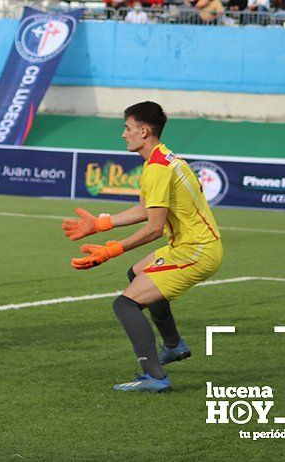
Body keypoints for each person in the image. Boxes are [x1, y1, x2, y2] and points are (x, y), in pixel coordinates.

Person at [62, 101, 222, 393]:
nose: (124, 134)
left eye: (127, 128)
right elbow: (145, 209)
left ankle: (155, 377)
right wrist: (101, 224)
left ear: (144, 131)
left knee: (125, 304)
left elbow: (154, 228)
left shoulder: (159, 168)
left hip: (196, 251)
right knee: (137, 273)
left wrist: (111, 249)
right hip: (191, 245)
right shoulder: (160, 160)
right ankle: (173, 346)